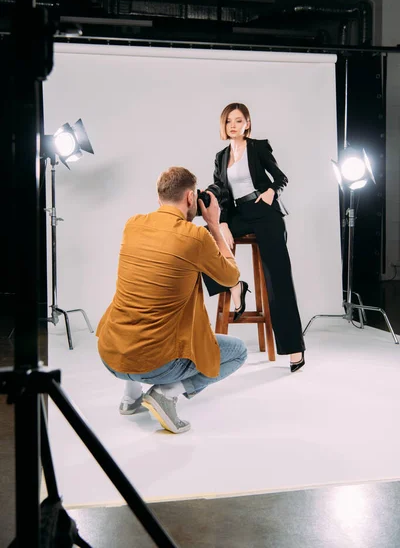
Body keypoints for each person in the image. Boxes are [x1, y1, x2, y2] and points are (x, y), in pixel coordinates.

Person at [96, 166, 247, 434]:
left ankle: (131, 397)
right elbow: (231, 276)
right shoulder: (196, 236)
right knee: (237, 352)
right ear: (191, 198)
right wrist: (213, 224)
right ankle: (166, 392)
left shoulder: (133, 225)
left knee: (141, 314)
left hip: (111, 355)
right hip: (156, 365)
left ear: (159, 197)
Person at [202, 102, 305, 372]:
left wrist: (271, 191)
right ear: (224, 126)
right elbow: (221, 192)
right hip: (238, 214)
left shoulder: (258, 147)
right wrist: (222, 222)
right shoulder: (221, 156)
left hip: (264, 212)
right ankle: (235, 286)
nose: (233, 125)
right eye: (228, 121)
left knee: (278, 278)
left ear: (247, 123)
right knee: (202, 237)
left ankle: (294, 349)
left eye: (238, 120)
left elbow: (281, 177)